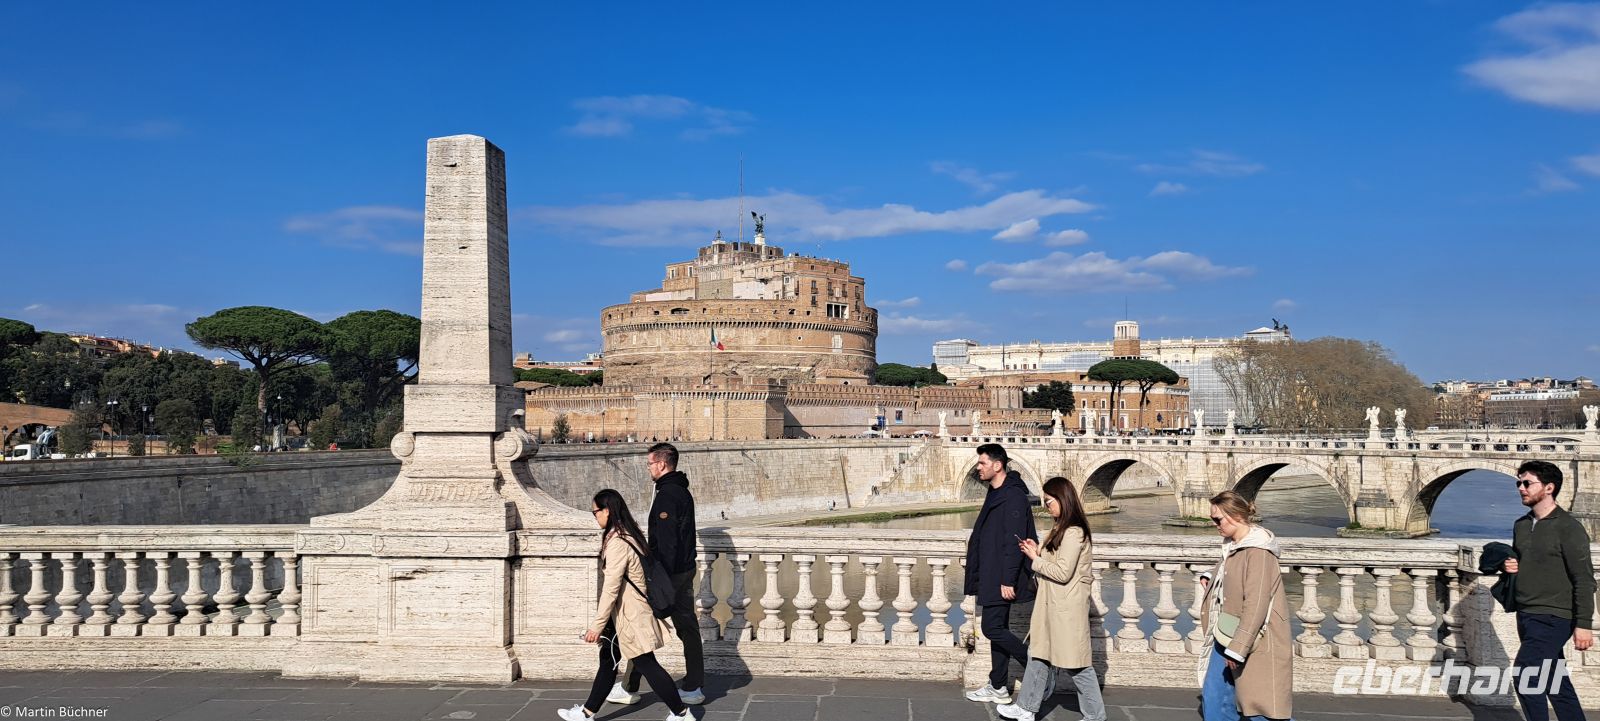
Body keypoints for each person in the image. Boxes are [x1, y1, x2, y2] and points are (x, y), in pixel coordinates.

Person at [559, 489, 694, 721]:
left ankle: (681, 713)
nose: (595, 517)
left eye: (595, 512)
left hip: (630, 615)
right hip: (624, 615)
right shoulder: (627, 534)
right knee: (609, 661)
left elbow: (611, 588)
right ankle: (587, 712)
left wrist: (596, 626)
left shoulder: (617, 543)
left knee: (647, 664)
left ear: (607, 511)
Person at [998, 476, 1105, 721]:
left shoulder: (1074, 532)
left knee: (1077, 665)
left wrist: (1035, 559)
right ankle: (1026, 708)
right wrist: (1036, 550)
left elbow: (1063, 572)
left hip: (1066, 608)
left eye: (1049, 501)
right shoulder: (1060, 528)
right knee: (1038, 656)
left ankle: (1095, 715)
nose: (1046, 505)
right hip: (1052, 605)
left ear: (1062, 499)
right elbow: (1055, 563)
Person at [610, 443, 707, 707]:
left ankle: (629, 687)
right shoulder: (681, 492)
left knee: (641, 627)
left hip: (669, 575)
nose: (649, 469)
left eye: (650, 464)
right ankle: (694, 685)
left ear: (662, 464)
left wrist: (655, 579)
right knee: (688, 628)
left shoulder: (667, 496)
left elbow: (666, 544)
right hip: (685, 571)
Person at [1503, 460, 1593, 721]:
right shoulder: (1521, 525)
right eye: (1519, 482)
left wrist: (1584, 624)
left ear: (1549, 488)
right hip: (1527, 614)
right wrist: (1510, 565)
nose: (1521, 488)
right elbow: (1528, 560)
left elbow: (1584, 579)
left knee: (1525, 674)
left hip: (1555, 616)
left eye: (1527, 483)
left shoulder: (1569, 528)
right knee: (1556, 682)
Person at [1198, 490, 1292, 721]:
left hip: (1254, 639)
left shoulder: (1258, 551)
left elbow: (1257, 602)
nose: (1214, 524)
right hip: (1227, 631)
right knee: (1215, 697)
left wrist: (1238, 649)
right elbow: (1235, 574)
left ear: (1236, 516)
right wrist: (1212, 576)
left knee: (1261, 707)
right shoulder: (1233, 544)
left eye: (1217, 519)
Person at [964, 443, 1038, 705]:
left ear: (998, 465)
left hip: (1001, 575)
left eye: (982, 463)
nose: (978, 467)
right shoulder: (996, 492)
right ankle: (998, 686)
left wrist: (1008, 579)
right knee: (998, 629)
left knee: (991, 627)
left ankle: (1037, 668)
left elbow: (1014, 541)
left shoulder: (1013, 496)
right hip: (991, 571)